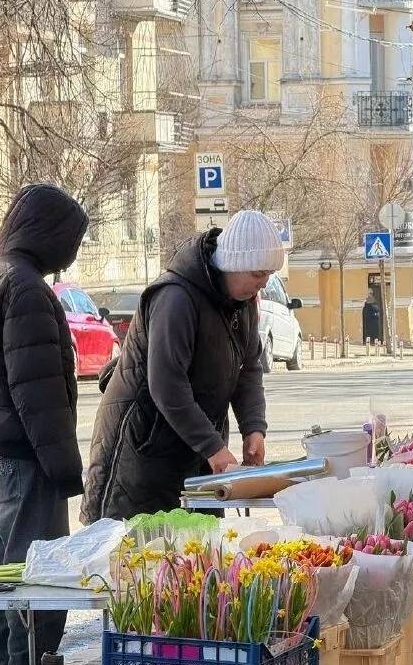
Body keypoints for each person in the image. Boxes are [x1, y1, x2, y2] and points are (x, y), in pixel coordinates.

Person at [81, 210, 284, 523]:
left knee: (202, 551)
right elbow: (167, 385)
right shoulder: (175, 298)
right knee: (142, 555)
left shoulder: (243, 304)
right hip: (144, 449)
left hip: (195, 449)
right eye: (258, 273)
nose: (263, 283)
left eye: (268, 274)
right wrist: (213, 447)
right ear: (234, 263)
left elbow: (248, 370)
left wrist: (253, 428)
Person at [0, 184, 88, 665]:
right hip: (28, 459)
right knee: (38, 580)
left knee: (4, 571)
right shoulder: (25, 288)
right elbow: (37, 395)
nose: (72, 255)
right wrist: (65, 471)